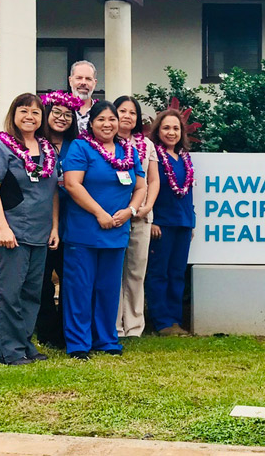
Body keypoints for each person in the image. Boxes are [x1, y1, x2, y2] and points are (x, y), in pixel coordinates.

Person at [62, 101, 146, 360]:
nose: (108, 124)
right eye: (101, 119)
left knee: (109, 289)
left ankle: (106, 340)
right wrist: (100, 213)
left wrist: (130, 211)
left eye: (112, 119)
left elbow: (141, 187)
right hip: (84, 231)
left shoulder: (128, 151)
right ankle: (78, 344)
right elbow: (72, 184)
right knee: (80, 288)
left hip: (117, 231)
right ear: (91, 123)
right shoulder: (81, 147)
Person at [0, 93, 59, 365]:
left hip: (39, 232)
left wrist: (55, 228)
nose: (30, 116)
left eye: (36, 112)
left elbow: (53, 194)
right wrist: (3, 228)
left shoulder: (48, 150)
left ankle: (25, 345)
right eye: (24, 111)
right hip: (10, 232)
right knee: (10, 293)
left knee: (32, 292)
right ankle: (6, 352)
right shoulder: (1, 148)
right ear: (14, 114)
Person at [34, 91, 82, 349]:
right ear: (46, 113)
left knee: (69, 279)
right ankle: (46, 330)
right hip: (42, 222)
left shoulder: (78, 145)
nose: (62, 118)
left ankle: (67, 331)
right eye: (57, 112)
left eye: (68, 114)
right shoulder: (35, 144)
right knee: (41, 280)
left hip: (73, 221)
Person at [145, 109, 196, 336]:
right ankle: (162, 322)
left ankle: (175, 319)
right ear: (158, 130)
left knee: (177, 273)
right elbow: (147, 188)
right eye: (166, 127)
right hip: (161, 224)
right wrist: (151, 219)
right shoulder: (153, 156)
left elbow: (188, 192)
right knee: (159, 273)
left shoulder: (185, 158)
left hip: (183, 224)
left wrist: (191, 222)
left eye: (176, 128)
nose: (171, 132)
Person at [113, 95, 160, 338]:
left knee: (135, 271)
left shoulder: (147, 145)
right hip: (113, 217)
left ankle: (133, 326)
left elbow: (153, 180)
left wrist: (147, 205)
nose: (128, 116)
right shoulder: (104, 143)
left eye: (132, 112)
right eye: (122, 111)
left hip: (141, 216)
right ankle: (115, 325)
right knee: (113, 271)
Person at [68, 60, 98, 132]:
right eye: (79, 78)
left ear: (95, 83)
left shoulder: (101, 111)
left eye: (88, 79)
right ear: (70, 81)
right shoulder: (60, 109)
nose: (83, 83)